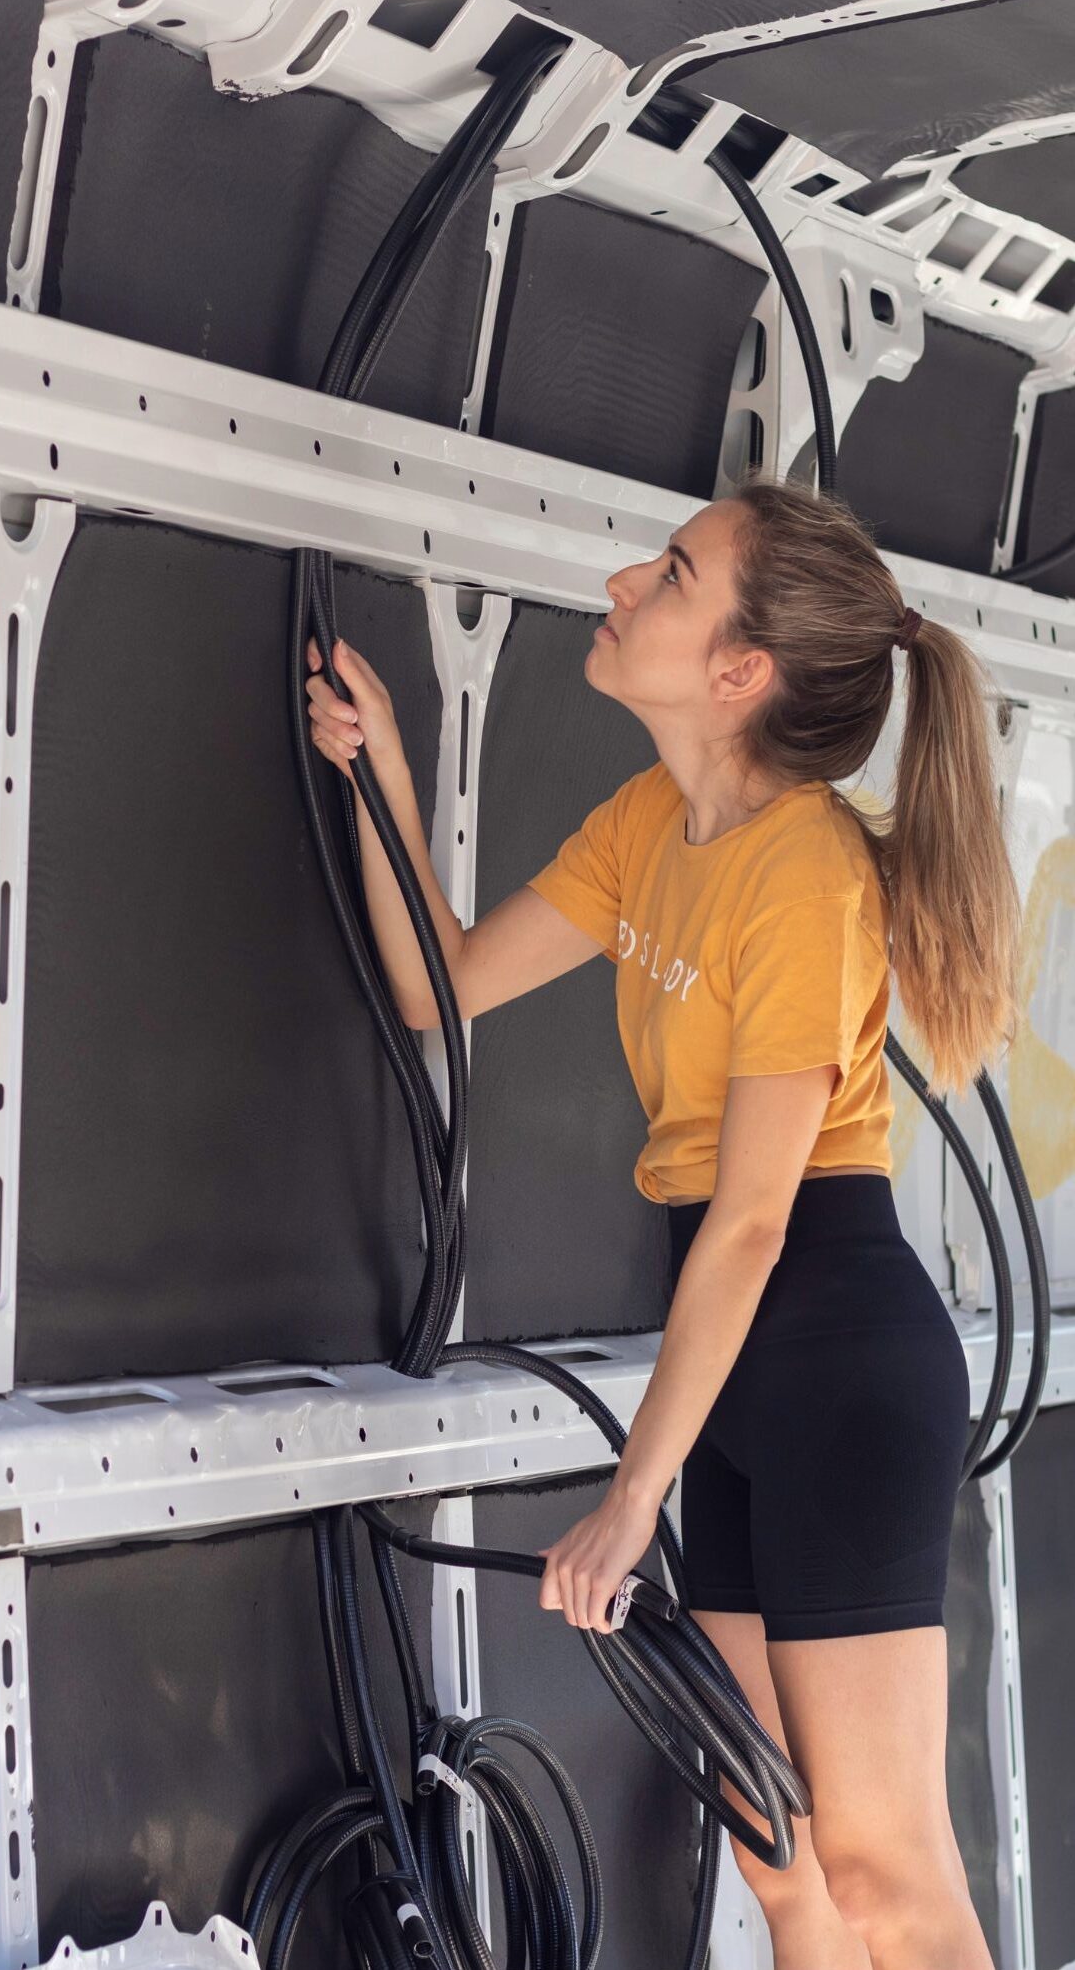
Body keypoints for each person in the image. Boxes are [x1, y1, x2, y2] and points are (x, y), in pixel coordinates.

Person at [305, 473, 1022, 1970]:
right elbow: (443, 983)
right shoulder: (649, 824)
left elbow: (755, 1225)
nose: (627, 579)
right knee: (785, 1872)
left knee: (884, 1874)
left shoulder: (807, 876)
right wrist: (370, 776)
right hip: (742, 1364)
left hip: (830, 1352)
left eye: (674, 573)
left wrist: (635, 1494)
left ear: (736, 672)